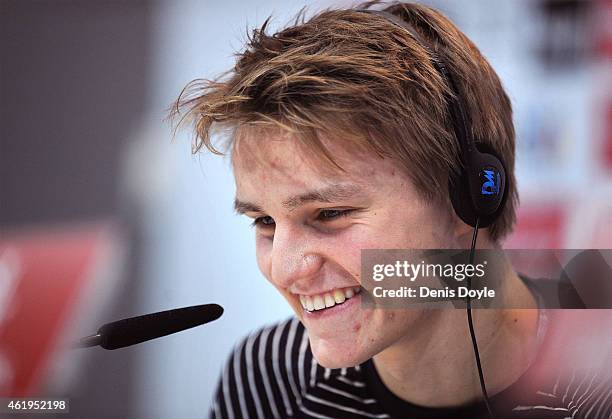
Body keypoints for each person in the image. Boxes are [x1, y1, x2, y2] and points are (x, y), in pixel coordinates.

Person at [171, 2, 612, 418]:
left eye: (329, 213)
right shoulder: (268, 378)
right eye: (264, 221)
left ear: (468, 199)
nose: (285, 270)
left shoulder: (596, 386)